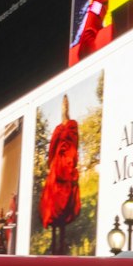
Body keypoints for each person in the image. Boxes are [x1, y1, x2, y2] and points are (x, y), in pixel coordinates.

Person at [39, 95, 81, 254]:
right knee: (54, 205)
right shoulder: (58, 129)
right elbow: (52, 150)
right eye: (63, 105)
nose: (65, 107)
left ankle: (61, 244)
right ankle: (54, 242)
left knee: (65, 206)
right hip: (58, 170)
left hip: (67, 166)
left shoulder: (72, 126)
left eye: (66, 104)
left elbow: (74, 145)